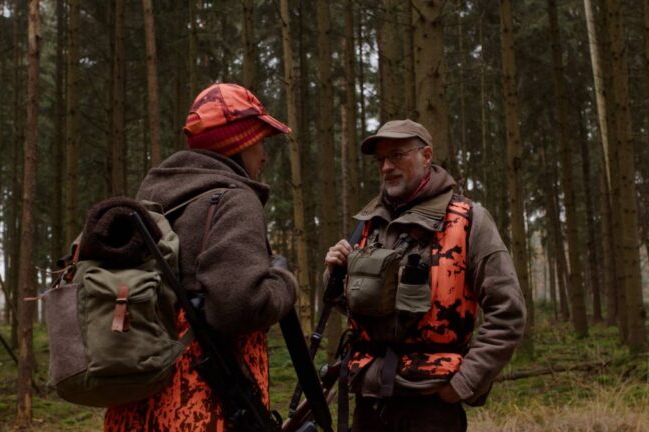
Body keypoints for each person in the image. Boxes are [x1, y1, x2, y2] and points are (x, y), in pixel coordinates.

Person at [104, 83, 298, 431]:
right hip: (201, 406)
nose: (264, 155)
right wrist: (284, 281)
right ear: (239, 142)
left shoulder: (151, 200)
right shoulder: (235, 199)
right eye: (259, 140)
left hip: (135, 406)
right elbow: (240, 305)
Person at [324, 119, 526, 431]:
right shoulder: (369, 224)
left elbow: (509, 313)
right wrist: (334, 275)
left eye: (397, 155)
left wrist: (463, 384)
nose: (386, 167)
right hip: (370, 400)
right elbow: (350, 304)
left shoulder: (469, 220)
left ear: (426, 155)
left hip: (430, 405)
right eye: (381, 160)